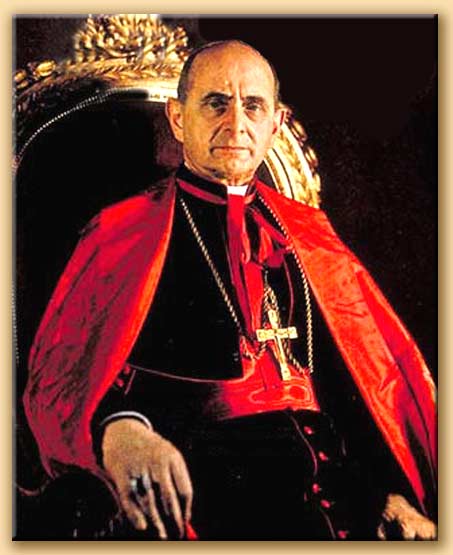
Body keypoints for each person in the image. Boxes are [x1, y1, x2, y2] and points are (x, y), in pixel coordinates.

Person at [23, 40, 437, 540]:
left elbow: (369, 390)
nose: (236, 123)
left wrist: (386, 493)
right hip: (209, 500)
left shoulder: (310, 235)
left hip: (342, 496)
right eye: (216, 103)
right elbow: (68, 382)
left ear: (275, 124)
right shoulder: (121, 233)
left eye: (253, 105)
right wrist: (121, 430)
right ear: (178, 119)